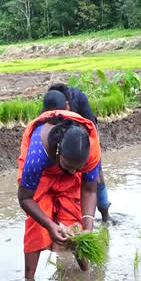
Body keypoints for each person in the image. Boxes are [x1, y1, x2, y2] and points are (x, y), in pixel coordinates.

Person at [17, 109, 102, 279]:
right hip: (43, 174)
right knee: (36, 227)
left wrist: (88, 227)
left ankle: (86, 274)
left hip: (64, 164)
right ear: (58, 151)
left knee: (74, 223)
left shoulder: (91, 151)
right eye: (69, 166)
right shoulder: (37, 154)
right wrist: (49, 224)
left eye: (78, 168)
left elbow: (89, 189)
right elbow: (25, 198)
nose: (73, 172)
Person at [44, 85, 112, 223]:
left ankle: (105, 214)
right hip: (64, 141)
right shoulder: (54, 106)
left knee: (95, 176)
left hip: (85, 138)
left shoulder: (77, 102)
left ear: (67, 105)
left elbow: (91, 128)